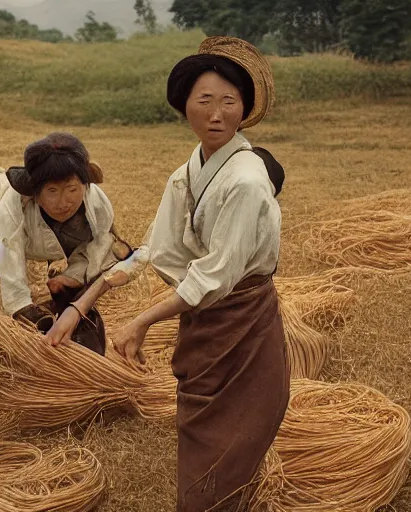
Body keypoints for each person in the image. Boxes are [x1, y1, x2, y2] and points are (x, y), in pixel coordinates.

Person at [110, 36, 289, 511]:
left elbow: (214, 276)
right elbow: (158, 248)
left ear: (244, 109)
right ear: (185, 106)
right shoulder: (186, 173)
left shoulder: (248, 180)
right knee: (201, 424)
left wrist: (142, 320)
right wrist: (96, 293)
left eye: (229, 102)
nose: (216, 114)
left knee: (236, 435)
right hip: (204, 322)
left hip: (243, 320)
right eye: (204, 101)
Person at [0, 132, 145, 354]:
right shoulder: (12, 204)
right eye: (52, 191)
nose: (64, 202)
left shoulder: (97, 206)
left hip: (50, 241)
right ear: (35, 193)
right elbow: (9, 253)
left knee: (84, 269)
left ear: (84, 185)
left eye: (72, 190)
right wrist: (24, 310)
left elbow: (96, 248)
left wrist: (72, 277)